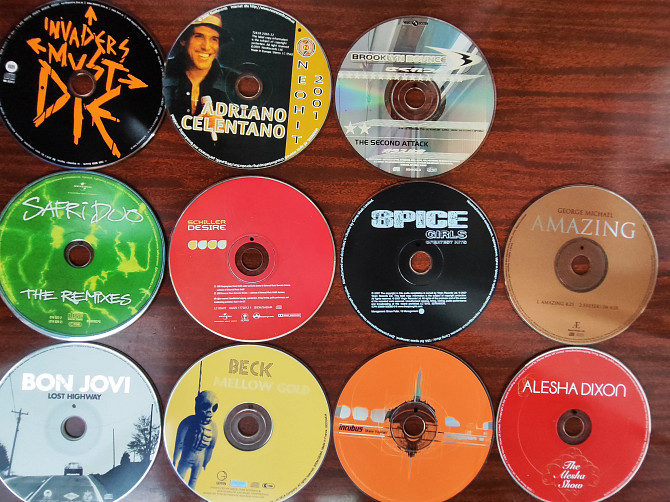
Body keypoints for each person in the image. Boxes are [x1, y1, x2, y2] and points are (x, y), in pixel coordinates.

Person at [164, 12, 233, 122]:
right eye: (199, 36)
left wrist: (225, 129)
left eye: (214, 39)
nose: (206, 47)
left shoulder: (234, 84)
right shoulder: (161, 73)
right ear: (183, 40)